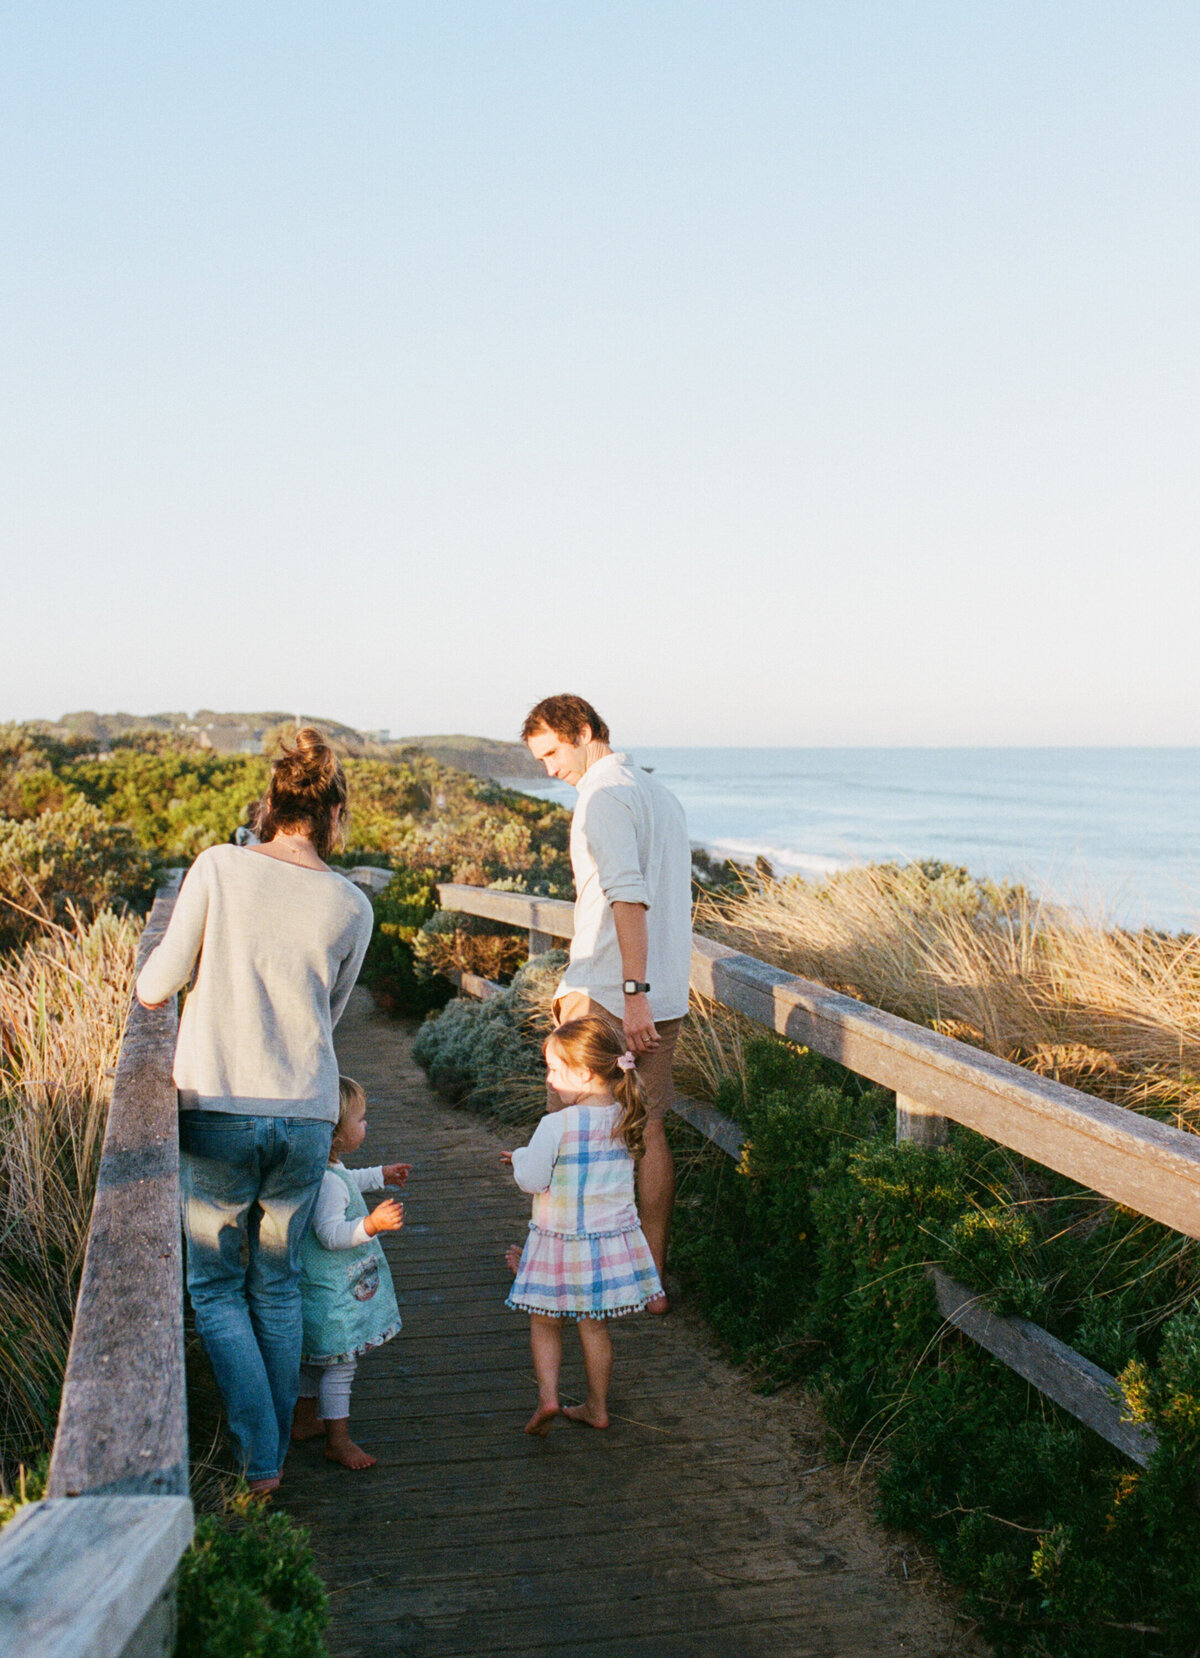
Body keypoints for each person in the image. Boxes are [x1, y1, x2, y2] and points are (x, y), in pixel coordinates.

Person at [136, 727, 374, 1494]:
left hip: (219, 1106)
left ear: (270, 806)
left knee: (214, 1287)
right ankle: (272, 1449)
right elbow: (329, 1014)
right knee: (275, 1285)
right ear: (334, 814)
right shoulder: (351, 903)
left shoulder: (218, 868)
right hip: (305, 1116)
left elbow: (155, 986)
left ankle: (262, 1461)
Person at [522, 693, 691, 1310]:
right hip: (664, 989)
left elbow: (627, 897)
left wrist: (633, 994)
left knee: (569, 1127)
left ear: (584, 731)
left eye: (552, 752)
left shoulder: (599, 795)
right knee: (647, 1131)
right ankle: (650, 1282)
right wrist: (650, 992)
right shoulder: (658, 795)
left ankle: (560, 1266)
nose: (549, 769)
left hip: (611, 991)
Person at [503, 1016, 663, 1435]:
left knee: (544, 1321)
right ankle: (597, 1406)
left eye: (555, 1069)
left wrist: (521, 1157)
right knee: (593, 1326)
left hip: (557, 1242)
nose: (550, 1079)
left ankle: (549, 1397)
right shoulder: (627, 1116)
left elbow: (533, 1180)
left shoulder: (555, 1124)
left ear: (584, 1073)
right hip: (606, 1244)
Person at [290, 1076, 409, 1470]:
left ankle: (305, 1422)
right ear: (337, 1137)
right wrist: (370, 1226)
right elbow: (330, 1234)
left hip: (319, 1290)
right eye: (360, 1120)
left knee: (314, 1361)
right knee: (340, 1367)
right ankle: (339, 1441)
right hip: (334, 1294)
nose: (366, 1125)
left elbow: (348, 1181)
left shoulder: (324, 1169)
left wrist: (381, 1174)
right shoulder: (327, 1183)